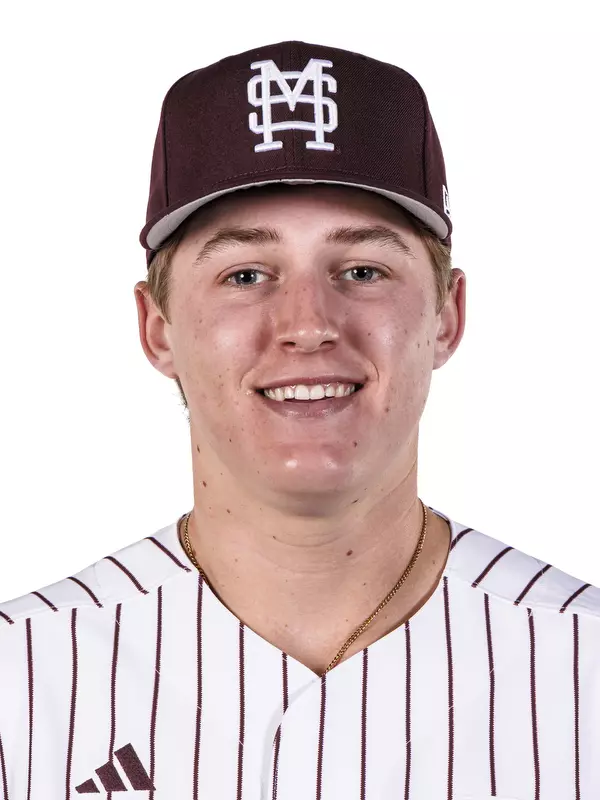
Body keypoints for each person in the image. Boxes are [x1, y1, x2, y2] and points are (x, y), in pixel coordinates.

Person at [0, 40, 598, 800]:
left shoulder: (585, 666)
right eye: (245, 274)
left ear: (448, 316)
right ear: (158, 330)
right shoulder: (20, 683)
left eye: (362, 270)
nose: (309, 324)